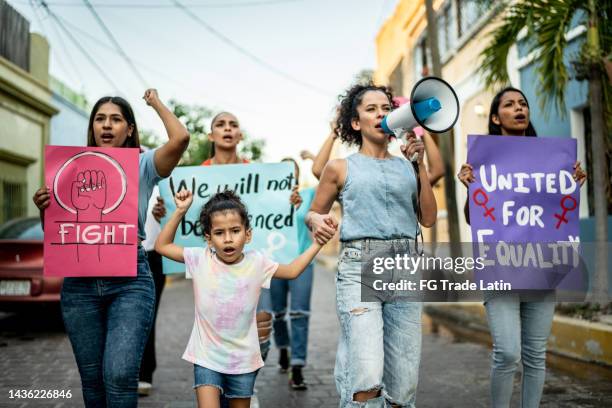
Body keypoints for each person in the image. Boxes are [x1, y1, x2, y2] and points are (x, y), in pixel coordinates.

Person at [32, 89, 189, 407]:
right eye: (100, 119)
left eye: (116, 119)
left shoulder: (144, 164)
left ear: (129, 129)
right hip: (79, 286)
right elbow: (59, 232)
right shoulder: (69, 168)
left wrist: (156, 103)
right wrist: (43, 207)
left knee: (119, 375)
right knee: (92, 381)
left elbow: (180, 139)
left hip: (130, 283)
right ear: (91, 127)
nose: (106, 125)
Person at [306, 82, 437, 407]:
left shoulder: (407, 164)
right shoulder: (340, 167)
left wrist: (418, 166)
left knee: (404, 386)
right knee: (366, 376)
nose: (381, 113)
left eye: (386, 108)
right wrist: (315, 221)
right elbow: (314, 212)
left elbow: (429, 218)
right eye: (371, 109)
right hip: (359, 268)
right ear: (355, 122)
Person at [457, 87, 586, 408]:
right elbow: (477, 220)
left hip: (542, 267)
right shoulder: (484, 163)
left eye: (523, 104)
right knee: (508, 353)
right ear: (495, 117)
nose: (519, 109)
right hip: (500, 266)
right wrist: (472, 189)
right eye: (510, 104)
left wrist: (571, 186)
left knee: (535, 355)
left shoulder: (554, 161)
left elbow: (558, 213)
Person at [155, 189, 335, 408]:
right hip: (206, 358)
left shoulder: (257, 262)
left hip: (243, 361)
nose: (228, 238)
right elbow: (162, 246)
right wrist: (180, 211)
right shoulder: (199, 259)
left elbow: (293, 270)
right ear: (208, 238)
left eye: (235, 231)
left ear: (247, 234)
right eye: (219, 233)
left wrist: (318, 243)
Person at [270, 157, 316, 389]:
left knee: (299, 313)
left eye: (293, 170)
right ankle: (283, 348)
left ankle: (297, 366)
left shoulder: (308, 196)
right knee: (277, 313)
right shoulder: (267, 200)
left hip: (302, 261)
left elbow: (327, 177)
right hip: (275, 264)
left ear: (298, 175)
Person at [138, 185, 166, 396]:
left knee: (148, 316)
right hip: (120, 252)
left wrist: (166, 214)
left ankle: (144, 373)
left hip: (152, 255)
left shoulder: (160, 187)